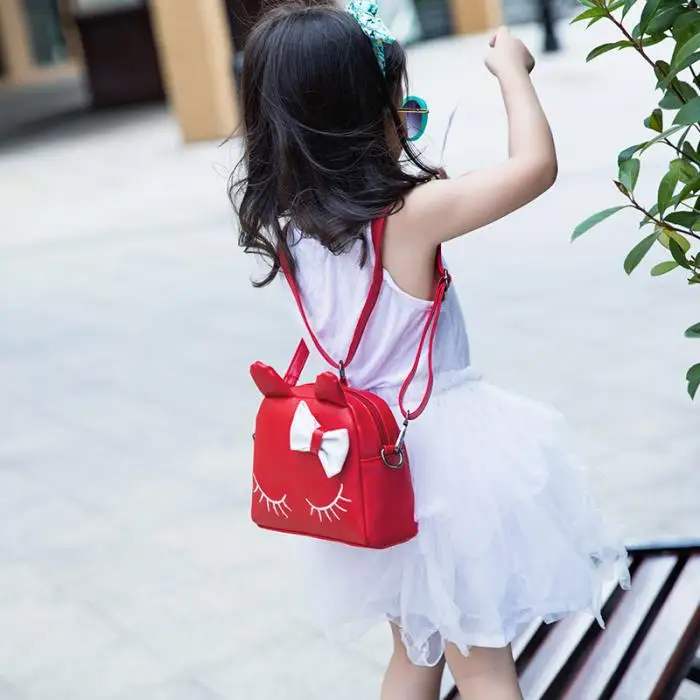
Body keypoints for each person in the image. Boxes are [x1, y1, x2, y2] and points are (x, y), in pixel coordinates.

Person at [231, 3, 629, 699]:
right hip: (442, 463)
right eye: (400, 107)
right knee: (482, 664)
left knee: (414, 653)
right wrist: (512, 71)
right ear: (367, 117)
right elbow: (535, 167)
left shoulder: (291, 227)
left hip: (368, 464)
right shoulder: (406, 217)